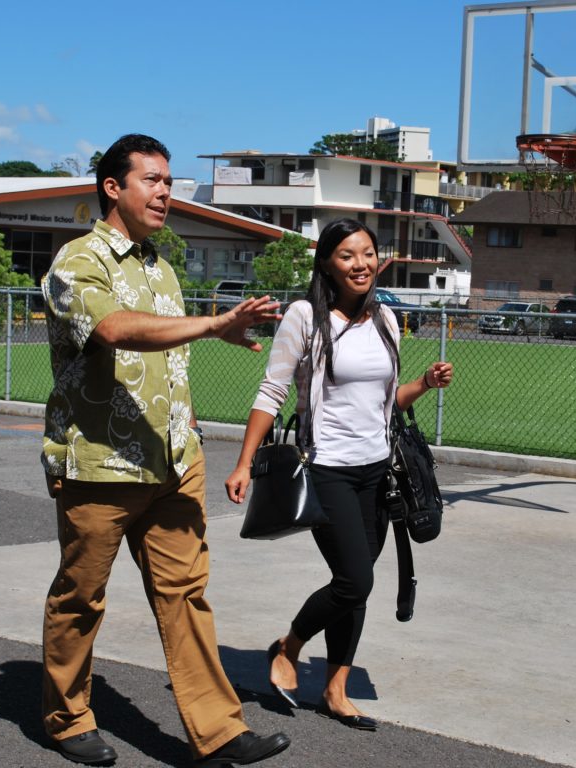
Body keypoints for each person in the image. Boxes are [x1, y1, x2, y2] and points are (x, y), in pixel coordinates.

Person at [41, 133, 291, 767]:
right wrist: (213, 324)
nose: (165, 192)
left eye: (169, 182)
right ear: (113, 187)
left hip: (174, 462)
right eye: (152, 180)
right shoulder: (80, 260)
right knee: (81, 594)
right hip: (101, 464)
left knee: (186, 594)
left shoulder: (161, 266)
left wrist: (194, 423)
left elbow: (168, 364)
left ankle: (219, 731)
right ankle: (68, 718)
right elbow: (113, 330)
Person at [225, 218, 453, 731]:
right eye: (348, 255)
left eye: (368, 253)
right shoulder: (305, 317)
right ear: (328, 262)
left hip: (378, 470)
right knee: (355, 579)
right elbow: (272, 392)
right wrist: (245, 461)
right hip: (326, 469)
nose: (361, 264)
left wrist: (422, 383)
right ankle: (288, 647)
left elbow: (383, 405)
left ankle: (335, 688)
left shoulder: (388, 321)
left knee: (355, 584)